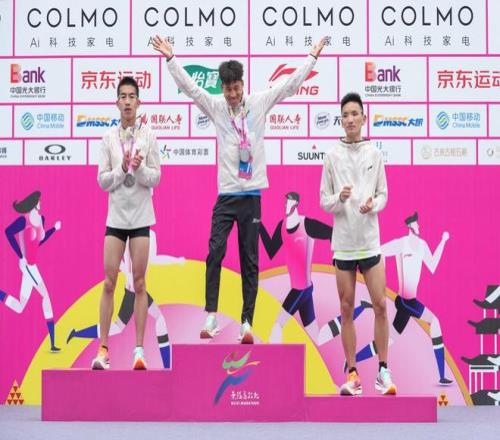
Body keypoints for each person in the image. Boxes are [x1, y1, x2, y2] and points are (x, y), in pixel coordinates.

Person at [153, 35, 325, 343]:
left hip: (252, 197)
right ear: (221, 88)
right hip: (226, 196)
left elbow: (288, 86)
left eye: (236, 88)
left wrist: (311, 58)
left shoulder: (258, 102)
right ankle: (211, 316)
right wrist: (171, 59)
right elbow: (191, 89)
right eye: (227, 89)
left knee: (250, 261)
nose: (232, 94)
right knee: (214, 253)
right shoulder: (217, 108)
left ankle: (247, 323)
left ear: (242, 84)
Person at [320, 92, 395, 395]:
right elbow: (324, 201)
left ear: (364, 118)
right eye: (345, 115)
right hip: (344, 244)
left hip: (370, 242)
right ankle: (353, 374)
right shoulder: (331, 156)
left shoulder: (375, 154)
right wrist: (339, 199)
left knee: (380, 305)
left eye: (355, 114)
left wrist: (373, 204)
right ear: (341, 121)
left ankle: (383, 372)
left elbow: (383, 194)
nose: (350, 119)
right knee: (346, 308)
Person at [92, 76, 161, 369]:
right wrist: (122, 169)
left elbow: (156, 177)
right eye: (123, 96)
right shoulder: (109, 138)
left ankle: (139, 351)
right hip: (116, 219)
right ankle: (103, 350)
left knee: (140, 283)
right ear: (117, 102)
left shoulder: (149, 136)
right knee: (109, 282)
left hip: (142, 218)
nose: (128, 101)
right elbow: (102, 181)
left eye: (132, 96)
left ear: (139, 102)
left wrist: (140, 168)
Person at [67, 230, 184, 369]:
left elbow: (150, 259)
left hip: (134, 289)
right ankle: (165, 366)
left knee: (120, 326)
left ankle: (78, 334)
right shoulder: (138, 234)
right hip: (134, 290)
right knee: (153, 319)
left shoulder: (144, 234)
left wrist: (176, 261)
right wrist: (177, 261)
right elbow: (146, 260)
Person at [0, 191, 61, 352]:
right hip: (27, 266)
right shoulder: (24, 220)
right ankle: (53, 344)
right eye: (39, 201)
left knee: (20, 307)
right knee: (46, 296)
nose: (41, 203)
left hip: (33, 266)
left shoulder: (41, 220)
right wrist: (20, 256)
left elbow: (40, 241)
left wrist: (54, 229)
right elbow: (8, 232)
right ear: (34, 203)